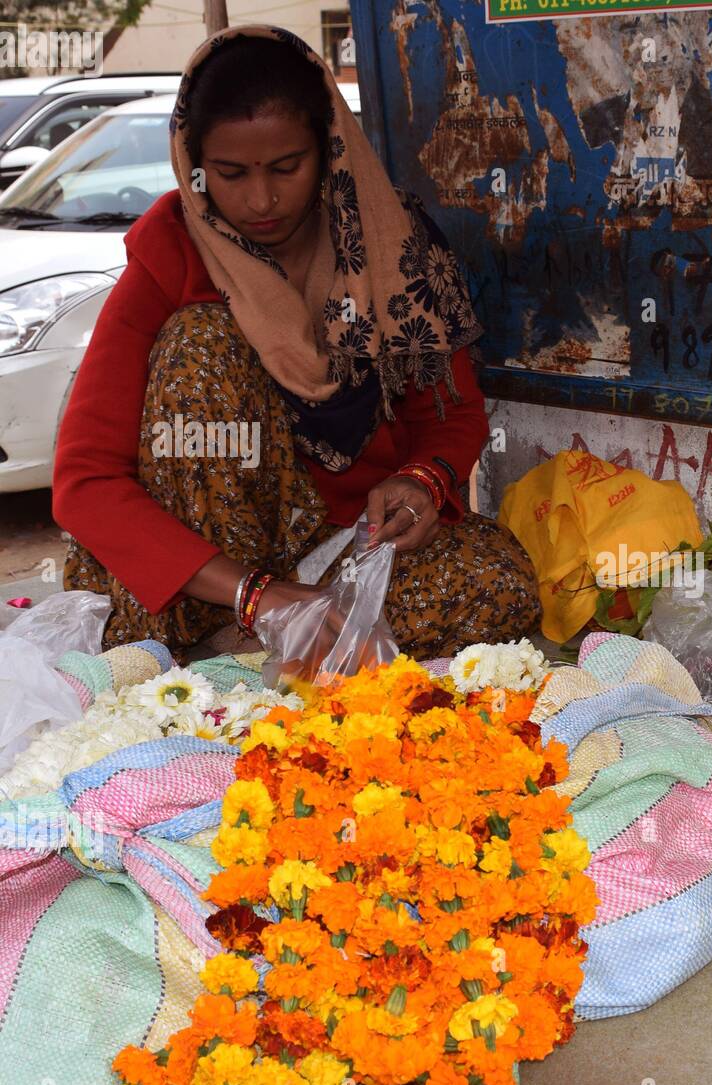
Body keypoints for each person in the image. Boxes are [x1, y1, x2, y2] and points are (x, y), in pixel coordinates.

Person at [52, 25, 541, 662]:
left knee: (500, 581)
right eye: (231, 173)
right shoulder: (170, 252)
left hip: (338, 547)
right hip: (204, 569)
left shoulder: (393, 243)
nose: (261, 200)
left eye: (287, 167)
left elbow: (453, 415)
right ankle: (245, 627)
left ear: (329, 148)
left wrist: (423, 480)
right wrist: (260, 594)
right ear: (195, 168)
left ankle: (260, 647)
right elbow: (85, 481)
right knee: (200, 341)